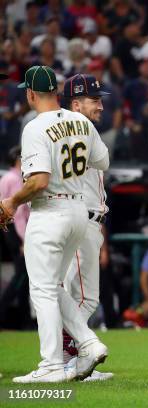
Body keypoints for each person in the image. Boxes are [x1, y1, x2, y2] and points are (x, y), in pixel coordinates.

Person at [5, 66, 109, 383]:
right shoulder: (81, 121)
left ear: (30, 94)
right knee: (52, 285)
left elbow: (38, 181)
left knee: (43, 290)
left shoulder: (35, 127)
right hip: (79, 209)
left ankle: (52, 365)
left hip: (50, 210)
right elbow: (101, 161)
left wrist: (11, 202)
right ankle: (89, 343)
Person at [60, 73, 113, 382]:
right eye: (95, 100)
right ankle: (69, 358)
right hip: (81, 216)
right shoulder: (79, 130)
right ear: (76, 104)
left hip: (85, 217)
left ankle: (68, 358)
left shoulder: (70, 130)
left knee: (74, 294)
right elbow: (103, 162)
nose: (101, 106)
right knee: (83, 298)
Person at [0, 146, 31, 328]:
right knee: (21, 276)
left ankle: (25, 320)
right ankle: (3, 314)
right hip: (16, 231)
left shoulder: (6, 178)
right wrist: (25, 241)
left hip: (11, 229)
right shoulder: (15, 179)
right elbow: (18, 214)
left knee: (24, 277)